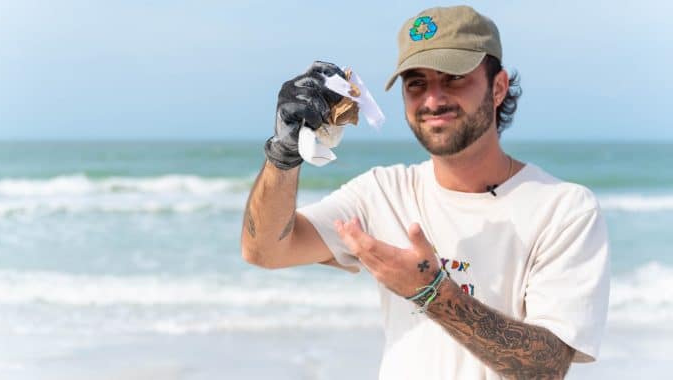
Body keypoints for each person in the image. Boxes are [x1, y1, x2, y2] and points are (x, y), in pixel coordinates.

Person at [241, 5, 609, 380]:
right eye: (416, 83)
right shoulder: (383, 192)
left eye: (453, 78)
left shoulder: (563, 208)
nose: (433, 100)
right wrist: (284, 154)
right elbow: (265, 249)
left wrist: (431, 293)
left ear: (498, 88)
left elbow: (546, 367)